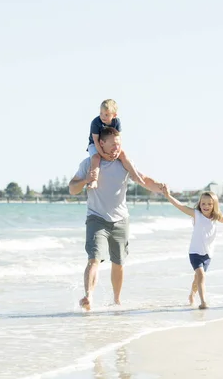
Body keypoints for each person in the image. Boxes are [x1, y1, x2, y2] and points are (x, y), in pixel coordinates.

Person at [69, 127, 163, 311]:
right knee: (93, 259)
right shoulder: (89, 163)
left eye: (119, 145)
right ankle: (88, 297)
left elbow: (142, 178)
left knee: (118, 263)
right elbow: (72, 189)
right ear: (101, 144)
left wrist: (159, 187)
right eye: (112, 145)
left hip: (121, 220)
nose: (116, 149)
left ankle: (117, 300)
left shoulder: (124, 163)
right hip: (96, 219)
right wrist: (85, 180)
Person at [162, 186, 223, 309]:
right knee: (201, 276)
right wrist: (168, 195)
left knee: (197, 278)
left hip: (207, 254)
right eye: (203, 203)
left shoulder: (216, 217)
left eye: (209, 204)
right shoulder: (196, 214)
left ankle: (191, 295)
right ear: (199, 203)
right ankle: (203, 302)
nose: (206, 206)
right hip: (194, 252)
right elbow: (180, 206)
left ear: (214, 205)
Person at [87, 99, 145, 189]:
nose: (102, 116)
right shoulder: (96, 122)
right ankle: (94, 180)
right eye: (101, 113)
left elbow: (119, 139)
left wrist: (118, 152)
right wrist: (103, 154)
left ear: (114, 115)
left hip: (110, 144)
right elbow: (95, 140)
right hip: (95, 144)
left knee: (123, 155)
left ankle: (135, 175)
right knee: (96, 157)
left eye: (106, 114)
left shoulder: (116, 122)